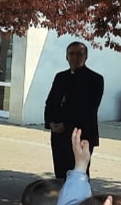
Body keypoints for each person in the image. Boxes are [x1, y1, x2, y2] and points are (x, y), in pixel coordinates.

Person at [44, 41, 103, 178]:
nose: (75, 57)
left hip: (82, 135)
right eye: (71, 54)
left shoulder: (95, 79)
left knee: (79, 172)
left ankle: (82, 199)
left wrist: (67, 125)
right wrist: (51, 122)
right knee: (60, 172)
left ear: (86, 56)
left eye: (79, 54)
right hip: (59, 134)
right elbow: (51, 102)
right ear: (66, 57)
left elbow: (90, 109)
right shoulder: (60, 77)